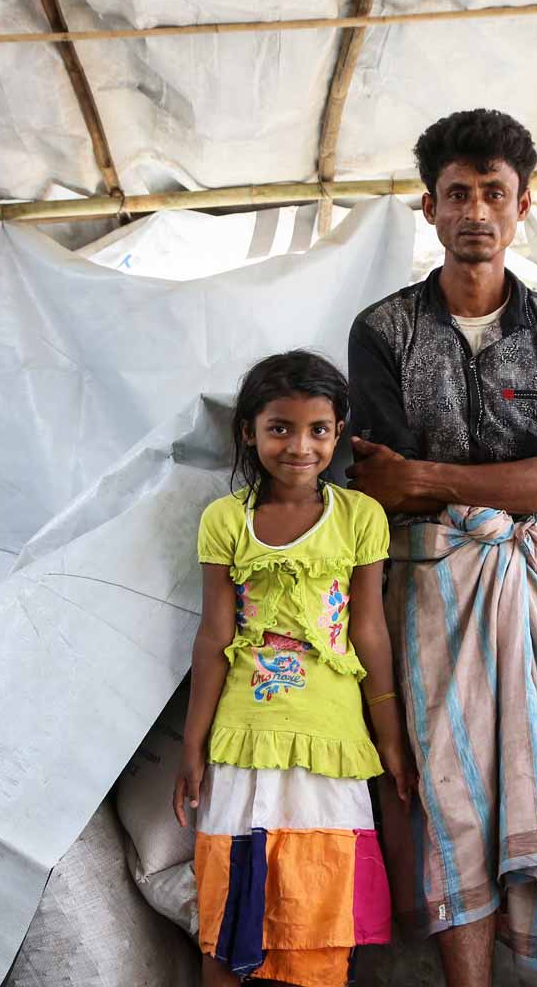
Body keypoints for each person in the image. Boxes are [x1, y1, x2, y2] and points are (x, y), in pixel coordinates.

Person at [345, 109, 537, 986]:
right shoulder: (382, 331)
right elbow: (384, 488)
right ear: (428, 207)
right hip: (429, 580)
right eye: (457, 193)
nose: (475, 210)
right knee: (449, 791)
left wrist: (437, 481)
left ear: (524, 205)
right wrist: (523, 485)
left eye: (493, 193)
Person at [174, 351, 416, 987]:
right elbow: (213, 637)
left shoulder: (360, 517)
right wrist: (192, 746)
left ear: (338, 434)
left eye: (318, 430)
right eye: (279, 427)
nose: (299, 446)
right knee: (229, 908)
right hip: (243, 739)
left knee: (317, 910)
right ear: (249, 432)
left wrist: (390, 739)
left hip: (331, 743)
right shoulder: (225, 521)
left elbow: (368, 630)